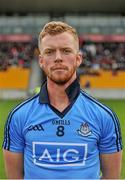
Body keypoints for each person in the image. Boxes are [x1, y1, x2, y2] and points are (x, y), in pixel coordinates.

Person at [3, 21, 122, 179]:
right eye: (50, 52)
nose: (58, 58)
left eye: (66, 51)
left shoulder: (104, 117)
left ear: (78, 58)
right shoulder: (19, 116)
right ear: (41, 60)